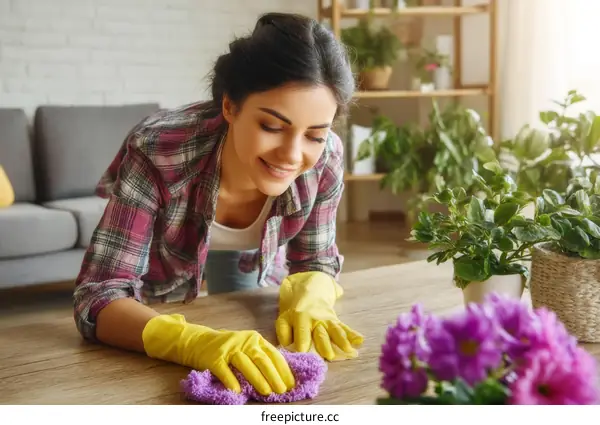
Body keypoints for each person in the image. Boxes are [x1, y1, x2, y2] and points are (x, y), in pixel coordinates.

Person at [73, 12, 363, 398]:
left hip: (251, 258)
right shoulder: (158, 150)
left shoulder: (325, 158)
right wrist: (190, 342)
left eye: (314, 134)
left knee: (252, 331)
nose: (292, 155)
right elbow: (99, 294)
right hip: (167, 266)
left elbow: (315, 261)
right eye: (272, 127)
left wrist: (314, 292)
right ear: (230, 106)